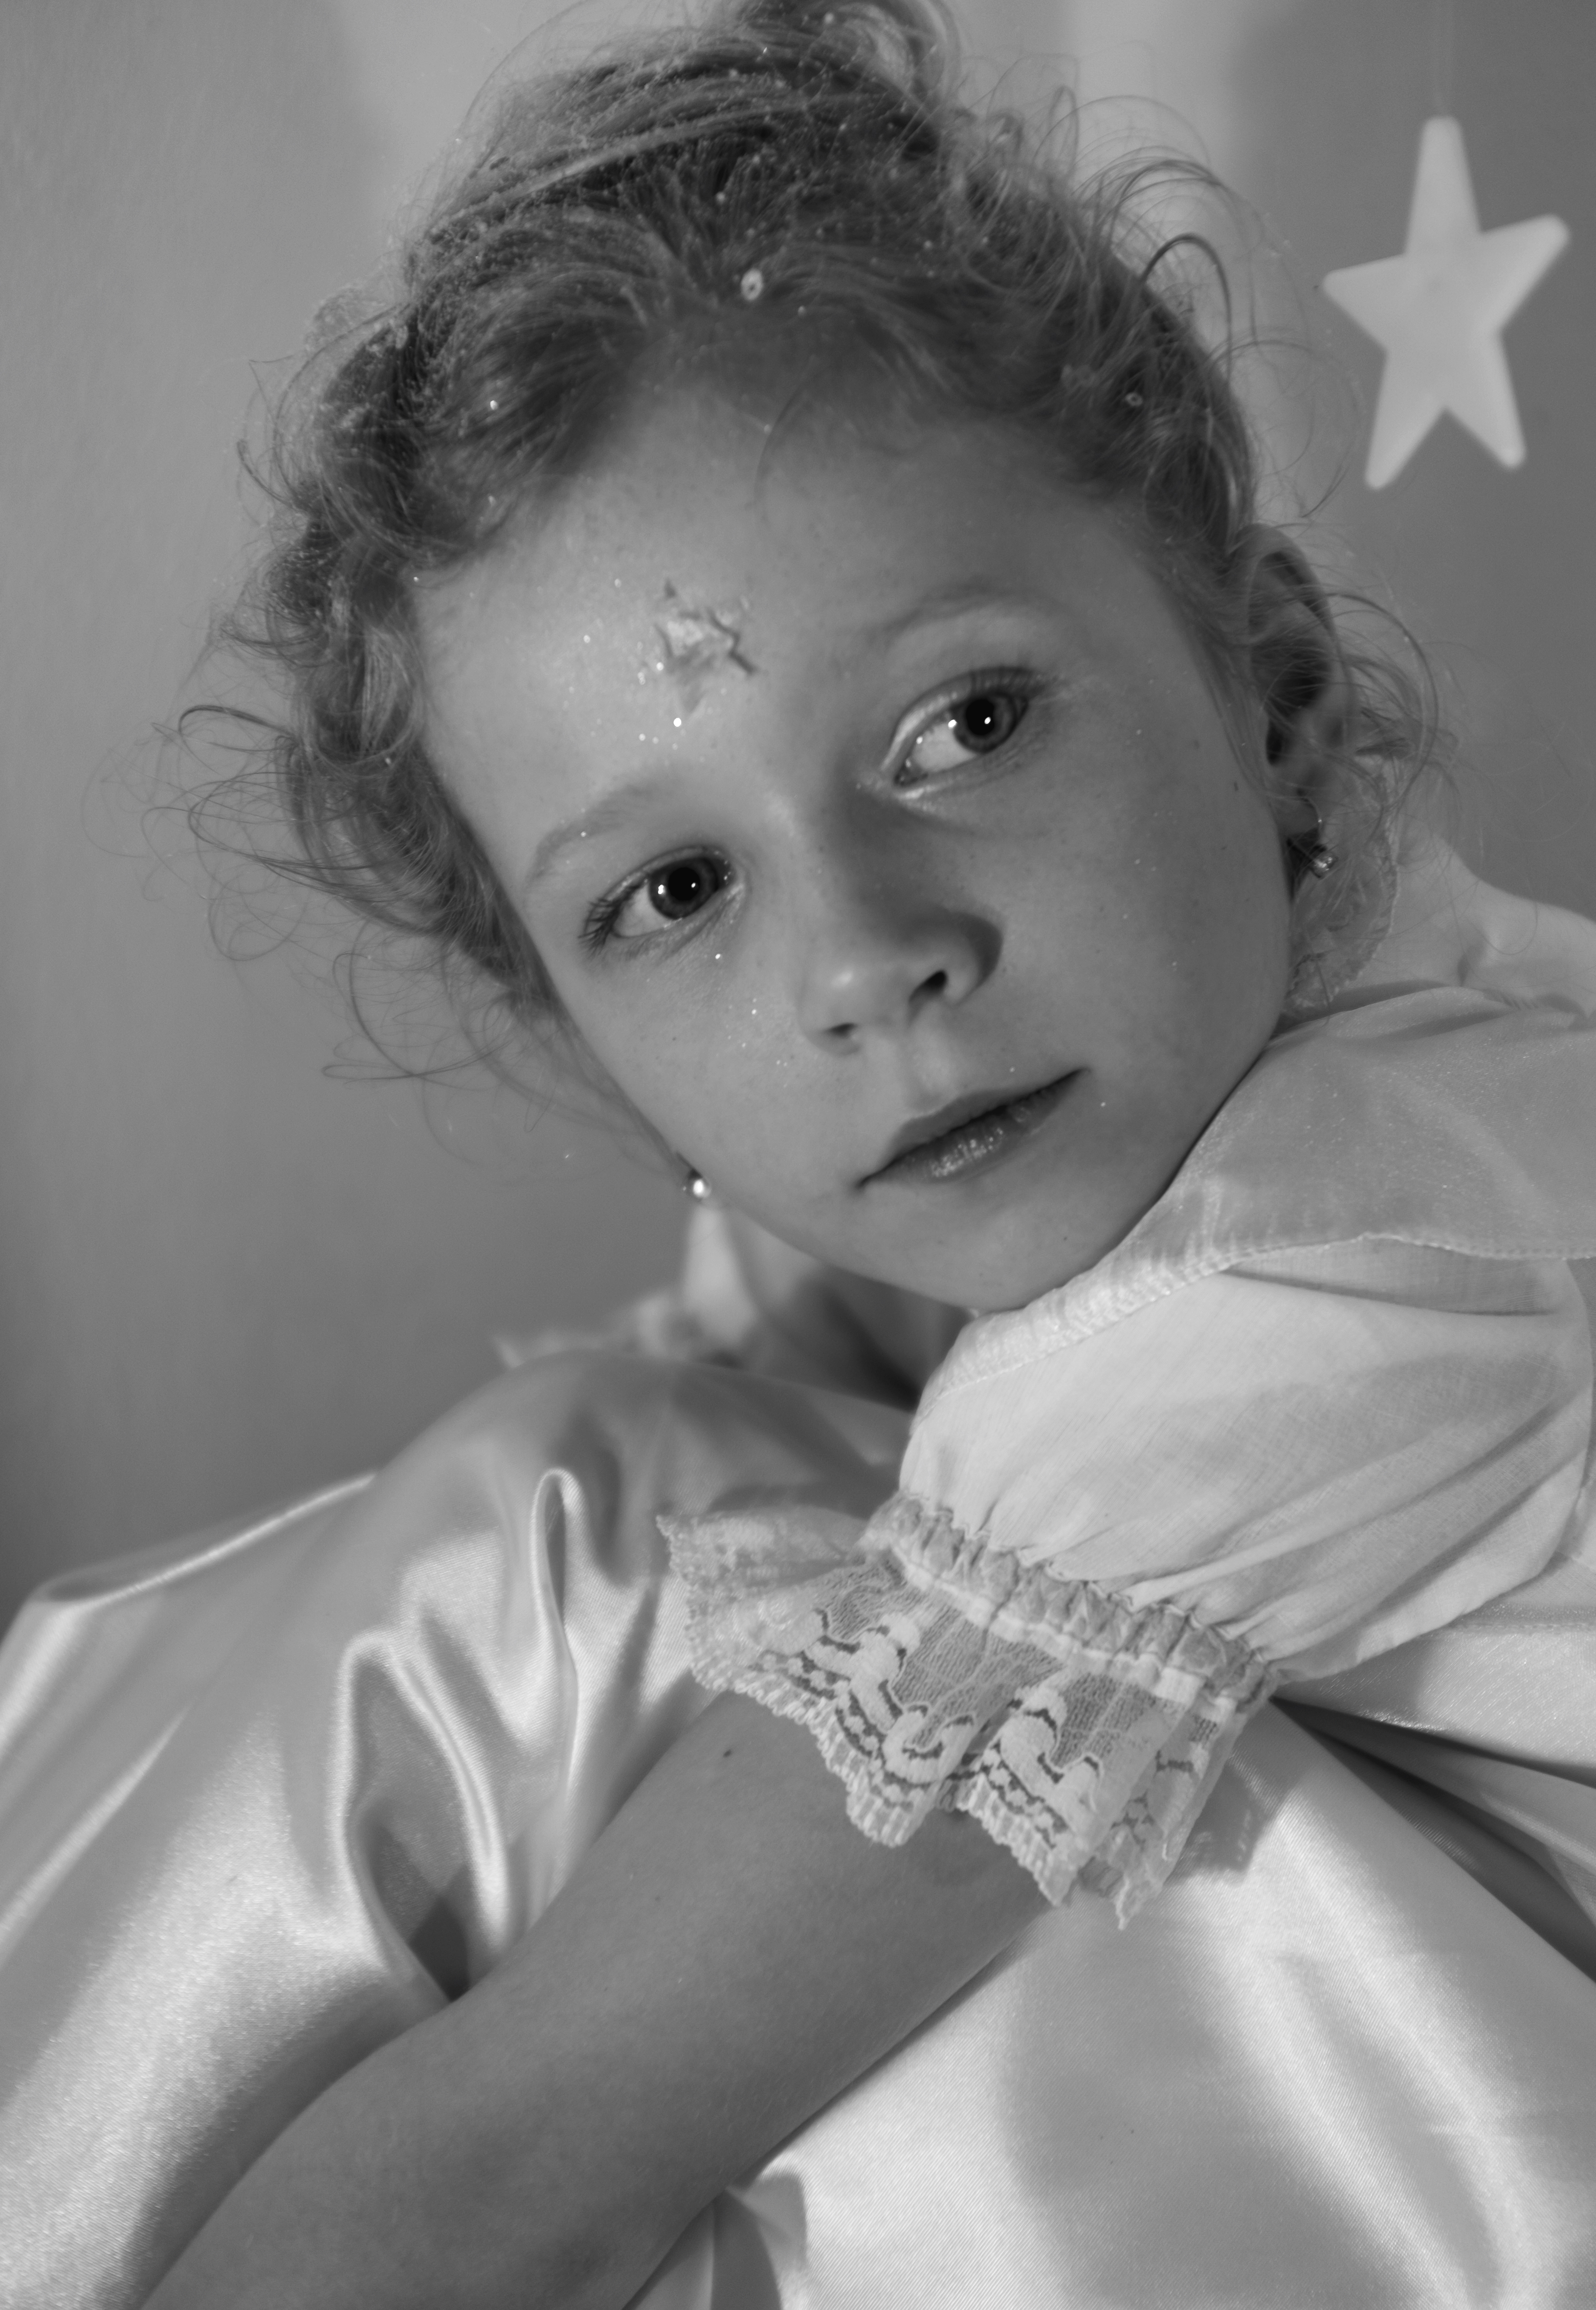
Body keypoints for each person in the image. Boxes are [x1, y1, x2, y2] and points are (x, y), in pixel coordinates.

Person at [3, 1, 1596, 2302]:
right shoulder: (1187, 1058)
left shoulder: (1320, 1259)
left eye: (963, 722)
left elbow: (533, 2140)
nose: (867, 959)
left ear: (1267, 683)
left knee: (593, 1542)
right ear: (576, 1027)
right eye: (672, 895)